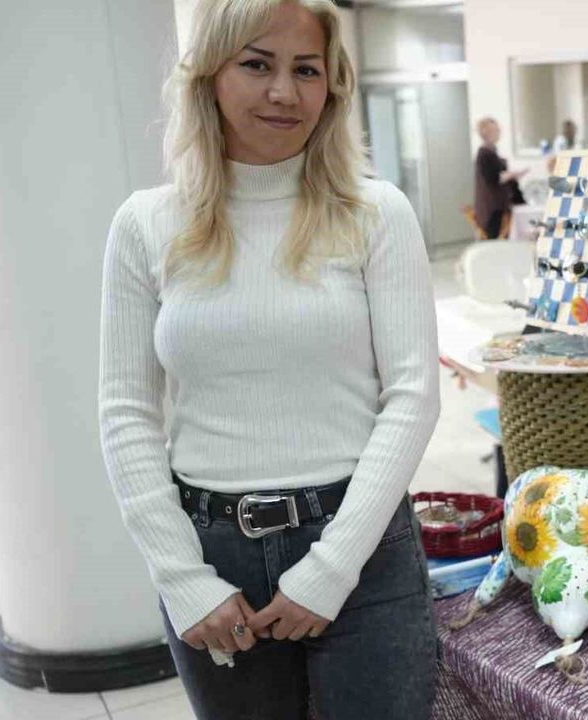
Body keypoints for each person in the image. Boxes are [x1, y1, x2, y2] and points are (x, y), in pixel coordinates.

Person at [98, 2, 440, 718]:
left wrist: (332, 566)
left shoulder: (376, 213)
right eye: (257, 64)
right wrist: (181, 577)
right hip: (210, 556)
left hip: (361, 545)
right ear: (209, 76)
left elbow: (412, 395)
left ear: (331, 86)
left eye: (306, 70)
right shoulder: (145, 224)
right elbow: (126, 412)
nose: (284, 92)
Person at [474, 116, 527, 239]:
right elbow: (493, 178)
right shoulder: (484, 154)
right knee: (495, 237)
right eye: (496, 130)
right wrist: (512, 174)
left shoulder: (492, 152)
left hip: (498, 205)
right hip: (491, 207)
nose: (499, 133)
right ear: (486, 132)